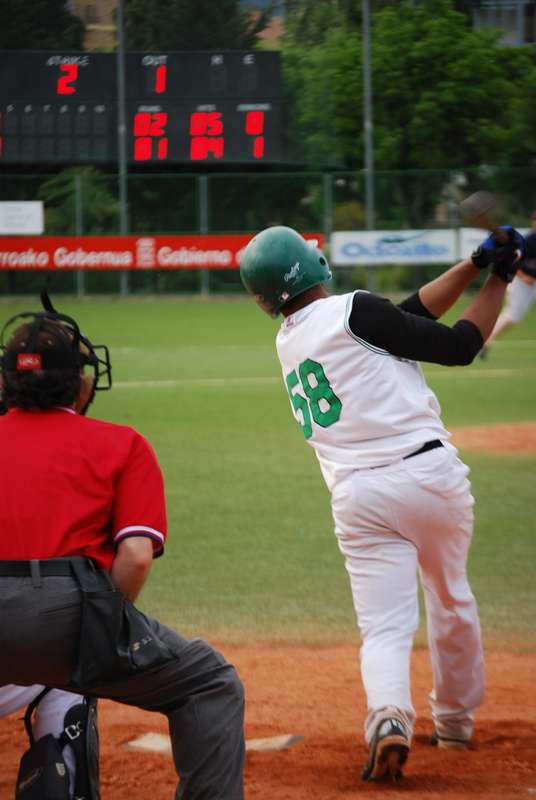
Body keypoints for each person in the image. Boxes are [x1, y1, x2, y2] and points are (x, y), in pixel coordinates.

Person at [240, 224, 524, 782]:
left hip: (357, 497)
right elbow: (461, 345)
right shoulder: (356, 312)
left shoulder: (294, 337)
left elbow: (403, 313)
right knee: (450, 598)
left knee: (386, 627)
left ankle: (389, 715)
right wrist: (500, 279)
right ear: (308, 265)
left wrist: (471, 264)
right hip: (428, 478)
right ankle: (455, 723)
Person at [0, 297, 245, 800]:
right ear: (84, 383)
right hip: (70, 619)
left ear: (4, 382)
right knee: (208, 683)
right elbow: (134, 556)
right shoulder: (122, 443)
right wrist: (101, 633)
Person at [482, 210, 536, 355]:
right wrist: (523, 275)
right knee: (513, 316)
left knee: (514, 317)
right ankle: (485, 340)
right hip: (521, 282)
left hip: (533, 283)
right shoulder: (528, 241)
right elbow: (512, 260)